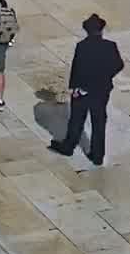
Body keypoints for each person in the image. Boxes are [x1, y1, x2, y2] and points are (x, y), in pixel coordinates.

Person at [50, 13, 124, 166]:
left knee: (76, 120)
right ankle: (98, 156)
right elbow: (118, 65)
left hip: (83, 90)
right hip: (101, 91)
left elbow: (77, 69)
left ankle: (68, 147)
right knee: (99, 123)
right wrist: (105, 77)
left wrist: (75, 88)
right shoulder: (110, 46)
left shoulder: (82, 46)